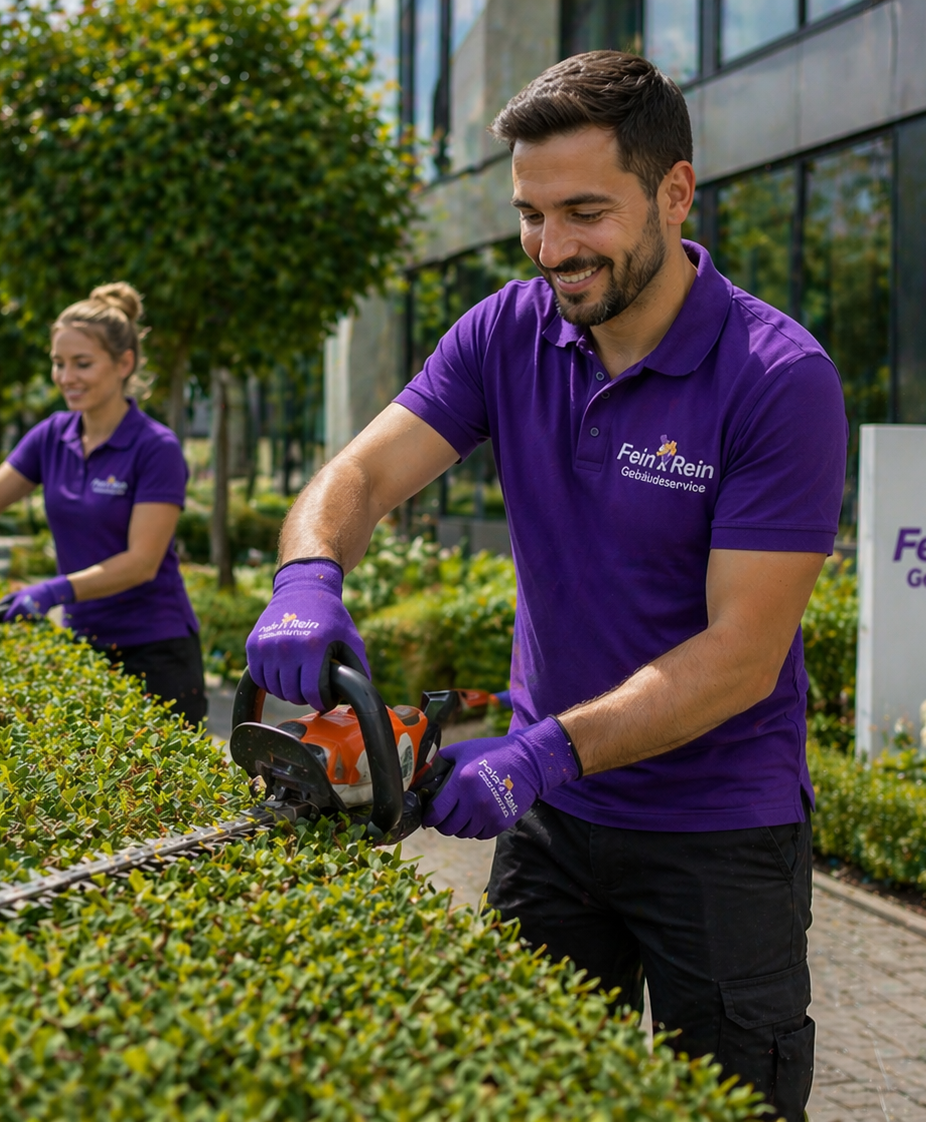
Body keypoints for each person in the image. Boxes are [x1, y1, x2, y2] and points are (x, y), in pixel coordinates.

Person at [245, 52, 846, 1119]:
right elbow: (361, 473)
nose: (553, 249)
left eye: (583, 211)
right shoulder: (506, 333)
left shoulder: (776, 378)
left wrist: (541, 751)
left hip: (717, 832)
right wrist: (305, 573)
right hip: (552, 827)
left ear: (673, 191)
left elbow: (742, 656)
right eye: (530, 214)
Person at [0, 283, 206, 727]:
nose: (66, 377)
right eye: (58, 363)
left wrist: (54, 590)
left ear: (124, 363)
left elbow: (142, 562)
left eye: (82, 364)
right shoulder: (52, 435)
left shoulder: (154, 447)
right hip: (84, 641)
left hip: (156, 650)